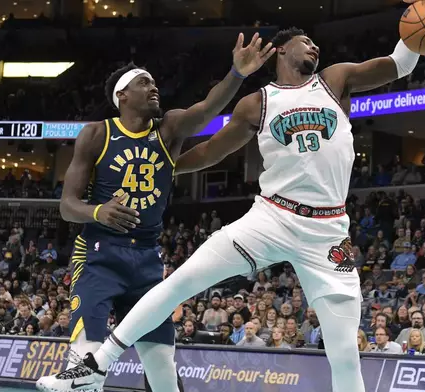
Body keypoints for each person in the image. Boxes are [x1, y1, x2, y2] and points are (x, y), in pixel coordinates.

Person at [37, 1, 425, 391]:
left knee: (344, 353)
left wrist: (420, 23)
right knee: (182, 281)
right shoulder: (257, 103)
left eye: (315, 43)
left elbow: (398, 65)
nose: (315, 46)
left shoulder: (336, 79)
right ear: (282, 51)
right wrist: (161, 162)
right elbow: (211, 150)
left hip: (328, 231)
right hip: (272, 217)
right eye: (306, 41)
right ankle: (95, 366)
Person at [35, 33, 275, 392]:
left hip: (147, 259)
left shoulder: (169, 128)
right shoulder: (96, 135)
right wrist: (98, 211)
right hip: (100, 254)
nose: (153, 88)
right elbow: (68, 206)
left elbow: (208, 109)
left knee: (162, 365)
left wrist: (237, 74)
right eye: (143, 83)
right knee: (85, 359)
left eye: (154, 82)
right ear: (122, 96)